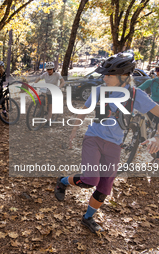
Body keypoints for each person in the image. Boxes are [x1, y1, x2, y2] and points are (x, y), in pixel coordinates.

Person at [54, 52, 159, 234]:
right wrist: (73, 132)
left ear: (123, 77)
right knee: (90, 180)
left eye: (109, 75)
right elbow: (84, 110)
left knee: (104, 188)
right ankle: (62, 181)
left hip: (114, 145)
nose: (105, 77)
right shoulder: (99, 91)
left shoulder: (137, 95)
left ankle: (88, 218)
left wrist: (156, 137)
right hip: (93, 139)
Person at [34, 62, 65, 127]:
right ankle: (41, 110)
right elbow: (38, 78)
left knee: (50, 108)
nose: (49, 71)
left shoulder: (57, 74)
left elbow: (63, 82)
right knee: (40, 100)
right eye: (48, 69)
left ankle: (48, 122)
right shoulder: (45, 74)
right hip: (47, 90)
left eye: (50, 69)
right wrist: (34, 84)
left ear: (53, 69)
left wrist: (59, 87)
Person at [138, 66, 159, 163]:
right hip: (153, 107)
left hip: (151, 106)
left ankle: (142, 134)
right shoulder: (152, 82)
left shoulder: (151, 81)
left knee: (144, 121)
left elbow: (138, 90)